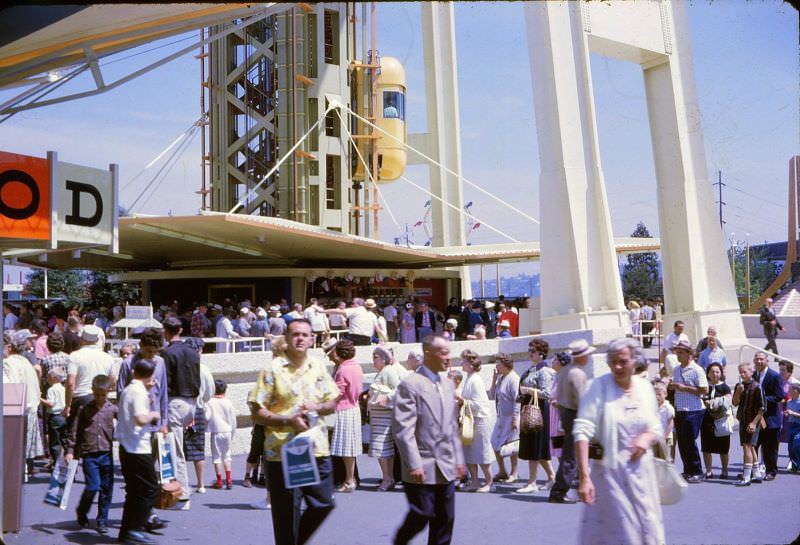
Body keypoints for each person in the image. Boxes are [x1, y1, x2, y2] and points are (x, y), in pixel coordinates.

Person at [248, 319, 339, 545]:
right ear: (287, 339)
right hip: (282, 450)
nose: (300, 338)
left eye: (305, 335)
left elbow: (332, 401)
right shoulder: (272, 369)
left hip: (315, 447)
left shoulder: (317, 366)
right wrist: (288, 420)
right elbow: (257, 412)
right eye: (295, 334)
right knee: (287, 514)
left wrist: (317, 407)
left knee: (324, 502)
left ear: (312, 339)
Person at [575, 338, 665, 545]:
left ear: (634, 361)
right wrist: (584, 478)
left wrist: (647, 437)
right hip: (610, 476)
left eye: (623, 361)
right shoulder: (597, 387)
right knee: (622, 534)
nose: (617, 366)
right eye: (612, 361)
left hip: (642, 475)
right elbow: (582, 431)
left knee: (647, 532)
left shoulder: (644, 388)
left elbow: (656, 426)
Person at [392, 336, 465, 545]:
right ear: (427, 353)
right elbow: (403, 428)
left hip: (446, 464)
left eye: (448, 352)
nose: (448, 358)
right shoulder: (410, 384)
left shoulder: (448, 384)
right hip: (421, 465)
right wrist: (413, 462)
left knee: (445, 519)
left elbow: (452, 426)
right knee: (421, 515)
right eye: (443, 353)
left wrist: (459, 460)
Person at [117, 358, 162, 545]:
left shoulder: (129, 389)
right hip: (138, 447)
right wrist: (155, 414)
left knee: (134, 491)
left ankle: (127, 532)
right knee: (150, 488)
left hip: (127, 445)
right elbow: (141, 419)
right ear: (149, 376)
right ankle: (135, 528)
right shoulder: (138, 392)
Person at [65, 374, 117, 536]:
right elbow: (74, 431)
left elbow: (126, 422)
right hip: (89, 454)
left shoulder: (113, 409)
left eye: (103, 395)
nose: (100, 398)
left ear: (108, 392)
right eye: (97, 394)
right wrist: (70, 450)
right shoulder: (85, 409)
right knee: (93, 486)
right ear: (92, 392)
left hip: (106, 453)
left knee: (106, 488)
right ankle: (82, 511)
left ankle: (102, 519)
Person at [549, 338, 594, 504]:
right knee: (572, 456)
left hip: (566, 414)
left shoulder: (566, 371)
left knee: (570, 454)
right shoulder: (578, 373)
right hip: (576, 415)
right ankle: (560, 490)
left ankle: (564, 488)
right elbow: (582, 399)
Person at [162, 317, 201, 503]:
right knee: (175, 446)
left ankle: (182, 489)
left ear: (166, 331)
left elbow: (165, 383)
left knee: (175, 449)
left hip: (175, 402)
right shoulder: (193, 351)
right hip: (191, 402)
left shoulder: (167, 353)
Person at [517, 338, 556, 494]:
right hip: (530, 409)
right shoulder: (531, 370)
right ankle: (552, 477)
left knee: (535, 445)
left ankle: (532, 482)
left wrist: (528, 391)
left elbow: (547, 394)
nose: (530, 354)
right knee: (537, 447)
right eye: (529, 350)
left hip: (539, 410)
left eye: (532, 351)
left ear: (541, 354)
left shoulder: (544, 371)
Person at [4, 330, 44, 475]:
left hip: (17, 411)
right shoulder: (26, 363)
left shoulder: (9, 363)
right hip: (30, 407)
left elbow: (9, 388)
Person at [668, 338, 708, 483]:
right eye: (677, 353)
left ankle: (697, 470)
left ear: (688, 354)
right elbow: (675, 386)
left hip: (693, 410)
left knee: (690, 441)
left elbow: (704, 390)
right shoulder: (677, 369)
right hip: (680, 409)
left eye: (680, 353)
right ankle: (688, 470)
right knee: (683, 442)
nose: (678, 356)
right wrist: (672, 386)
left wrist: (684, 388)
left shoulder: (697, 370)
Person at [455, 349, 494, 492]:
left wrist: (462, 400)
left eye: (463, 361)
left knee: (482, 452)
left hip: (479, 420)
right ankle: (475, 481)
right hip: (471, 420)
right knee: (470, 452)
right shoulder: (470, 378)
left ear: (471, 364)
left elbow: (478, 404)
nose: (461, 364)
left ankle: (489, 483)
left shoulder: (475, 380)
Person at [330, 339, 363, 492]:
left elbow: (338, 392)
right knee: (349, 448)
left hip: (344, 409)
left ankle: (349, 480)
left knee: (345, 449)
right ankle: (350, 479)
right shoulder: (356, 366)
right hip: (354, 408)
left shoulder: (342, 369)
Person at [64, 325, 114, 426]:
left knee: (75, 434)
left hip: (80, 398)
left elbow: (70, 383)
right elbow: (112, 381)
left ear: (81, 339)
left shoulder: (75, 356)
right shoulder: (108, 358)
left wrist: (68, 405)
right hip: (100, 398)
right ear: (96, 340)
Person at [369, 345, 404, 491]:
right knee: (384, 448)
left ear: (384, 359)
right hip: (379, 417)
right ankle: (388, 477)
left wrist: (386, 398)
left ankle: (387, 478)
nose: (373, 360)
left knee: (381, 448)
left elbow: (400, 387)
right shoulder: (383, 371)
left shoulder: (388, 371)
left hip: (384, 417)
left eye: (376, 357)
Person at [732, 361, 765, 486]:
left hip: (753, 421)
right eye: (740, 372)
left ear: (751, 372)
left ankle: (746, 476)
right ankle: (756, 473)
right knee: (750, 446)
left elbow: (762, 408)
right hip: (743, 420)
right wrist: (738, 392)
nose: (742, 374)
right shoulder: (739, 386)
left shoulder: (757, 386)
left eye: (745, 372)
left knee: (747, 446)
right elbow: (735, 403)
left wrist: (753, 423)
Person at [489, 353, 520, 483]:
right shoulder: (501, 378)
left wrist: (515, 418)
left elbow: (517, 399)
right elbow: (491, 395)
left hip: (511, 417)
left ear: (506, 364)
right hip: (501, 417)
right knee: (494, 442)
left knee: (512, 446)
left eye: (498, 363)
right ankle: (502, 471)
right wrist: (494, 380)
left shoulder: (513, 378)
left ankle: (514, 472)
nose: (496, 366)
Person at [753, 351, 784, 481]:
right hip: (755, 418)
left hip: (770, 418)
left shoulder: (774, 376)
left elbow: (779, 396)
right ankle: (752, 470)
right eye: (757, 359)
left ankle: (771, 471)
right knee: (753, 445)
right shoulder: (753, 375)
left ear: (767, 361)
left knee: (770, 447)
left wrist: (763, 399)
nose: (759, 362)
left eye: (761, 359)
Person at [700, 362, 732, 479]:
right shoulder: (705, 386)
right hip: (707, 420)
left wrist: (714, 402)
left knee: (724, 448)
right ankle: (709, 471)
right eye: (712, 372)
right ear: (708, 373)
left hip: (722, 420)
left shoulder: (725, 387)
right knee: (706, 447)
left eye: (717, 371)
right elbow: (703, 401)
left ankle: (724, 471)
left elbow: (727, 402)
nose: (715, 374)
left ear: (721, 373)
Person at [205, 379, 237, 490]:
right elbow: (233, 420)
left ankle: (219, 481)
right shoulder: (228, 402)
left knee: (216, 457)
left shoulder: (210, 402)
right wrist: (232, 432)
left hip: (216, 431)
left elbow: (207, 417)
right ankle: (229, 479)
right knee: (227, 455)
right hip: (227, 431)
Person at [40, 368, 68, 469]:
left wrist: (40, 399)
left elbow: (51, 404)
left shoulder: (51, 389)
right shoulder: (63, 388)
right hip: (63, 416)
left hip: (54, 417)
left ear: (53, 377)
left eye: (48, 376)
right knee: (65, 440)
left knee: (55, 443)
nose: (47, 378)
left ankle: (58, 465)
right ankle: (68, 463)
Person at [653, 381, 675, 462]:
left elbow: (671, 423)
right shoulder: (653, 407)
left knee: (665, 459)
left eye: (659, 394)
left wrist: (664, 436)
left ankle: (667, 474)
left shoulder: (668, 407)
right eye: (655, 394)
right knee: (655, 459)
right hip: (655, 437)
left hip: (666, 438)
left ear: (665, 394)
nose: (657, 397)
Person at [783, 383, 800, 471]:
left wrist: (792, 413)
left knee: (797, 445)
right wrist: (787, 413)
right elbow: (788, 413)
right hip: (791, 425)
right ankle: (794, 465)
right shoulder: (789, 402)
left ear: (796, 391)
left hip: (798, 426)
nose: (788, 391)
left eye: (790, 390)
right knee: (790, 447)